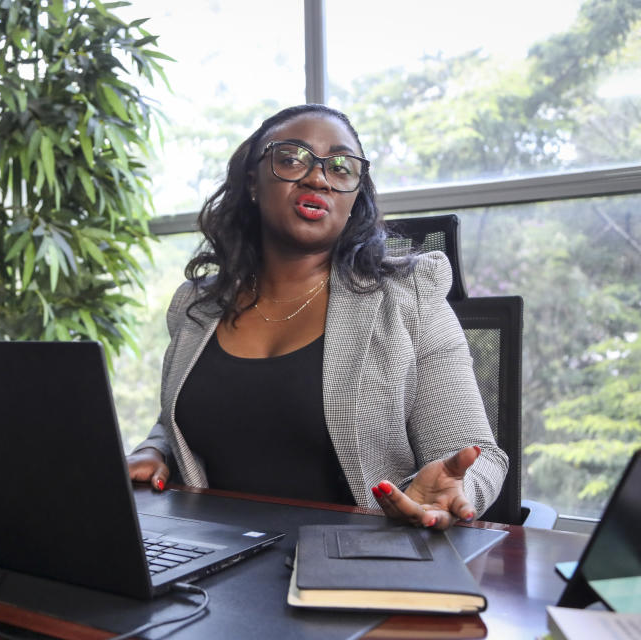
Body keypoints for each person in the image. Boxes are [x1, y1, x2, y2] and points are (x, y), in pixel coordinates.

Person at [127, 104, 508, 530]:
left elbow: (475, 454)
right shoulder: (197, 306)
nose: (318, 177)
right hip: (215, 560)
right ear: (252, 182)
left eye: (341, 167)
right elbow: (181, 416)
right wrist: (154, 449)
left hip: (356, 566)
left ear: (354, 195)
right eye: (291, 158)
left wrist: (448, 493)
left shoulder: (408, 296)